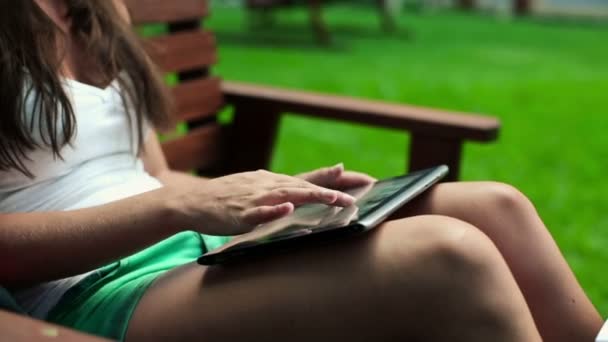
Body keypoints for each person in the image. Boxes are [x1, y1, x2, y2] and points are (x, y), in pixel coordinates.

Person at [0, 1, 603, 341]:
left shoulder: (99, 9)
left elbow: (153, 176)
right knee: (452, 254)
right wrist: (175, 210)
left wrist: (286, 195)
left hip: (197, 245)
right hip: (93, 290)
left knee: (497, 207)